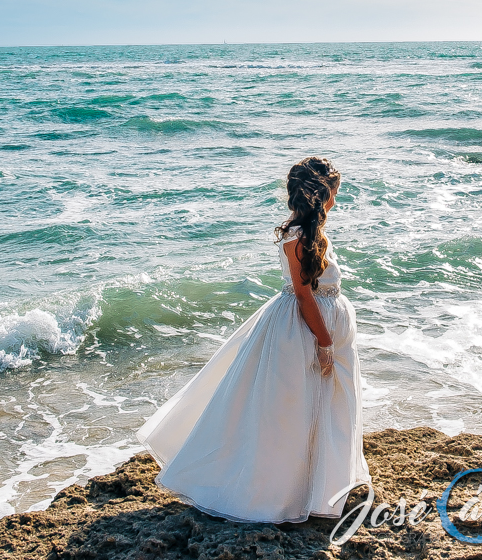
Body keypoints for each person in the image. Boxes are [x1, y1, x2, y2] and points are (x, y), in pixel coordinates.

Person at [136, 156, 370, 523]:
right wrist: (324, 341)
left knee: (322, 406)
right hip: (304, 332)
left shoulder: (310, 234)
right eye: (334, 194)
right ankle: (281, 493)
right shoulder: (297, 237)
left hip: (314, 328)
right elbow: (305, 295)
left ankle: (318, 486)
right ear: (321, 195)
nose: (336, 202)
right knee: (293, 410)